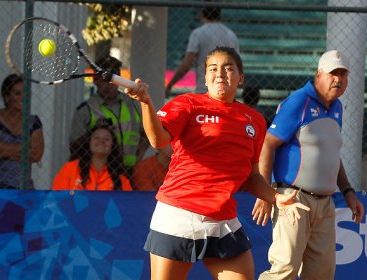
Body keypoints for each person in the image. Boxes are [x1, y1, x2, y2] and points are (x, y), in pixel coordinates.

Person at [124, 46, 309, 280]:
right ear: (205, 77)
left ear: (240, 78)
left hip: (223, 220)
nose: (220, 74)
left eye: (228, 68)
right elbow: (158, 140)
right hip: (178, 214)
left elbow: (250, 175)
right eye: (213, 68)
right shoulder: (188, 104)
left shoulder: (255, 121)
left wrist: (274, 197)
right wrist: (146, 102)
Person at [252, 50, 365, 280]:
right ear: (318, 75)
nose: (339, 79)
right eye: (334, 73)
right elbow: (267, 144)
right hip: (293, 199)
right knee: (284, 270)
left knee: (322, 274)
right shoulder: (298, 101)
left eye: (344, 74)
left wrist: (348, 191)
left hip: (325, 203)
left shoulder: (337, 108)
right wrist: (265, 194)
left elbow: (332, 155)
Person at [69, 56, 149, 179]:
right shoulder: (86, 109)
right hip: (100, 173)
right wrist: (94, 131)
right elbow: (74, 146)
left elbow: (147, 133)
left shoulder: (132, 103)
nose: (108, 86)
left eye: (112, 81)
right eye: (103, 81)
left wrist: (138, 158)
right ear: (94, 80)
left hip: (132, 171)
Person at [165, 7, 239, 97]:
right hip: (226, 90)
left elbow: (187, 64)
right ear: (220, 15)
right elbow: (237, 65)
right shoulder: (231, 35)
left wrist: (170, 85)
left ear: (202, 14)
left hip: (204, 88)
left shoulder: (198, 33)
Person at [0, 74, 44, 189]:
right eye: (17, 93)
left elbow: (36, 154)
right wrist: (26, 148)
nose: (23, 97)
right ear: (7, 96)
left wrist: (5, 152)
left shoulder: (34, 121)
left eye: (26, 93)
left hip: (25, 187)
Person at [53, 124, 132, 191]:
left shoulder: (121, 180)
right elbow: (56, 199)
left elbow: (127, 206)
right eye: (96, 138)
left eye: (106, 139)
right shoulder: (70, 169)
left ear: (112, 146)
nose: (101, 141)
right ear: (89, 143)